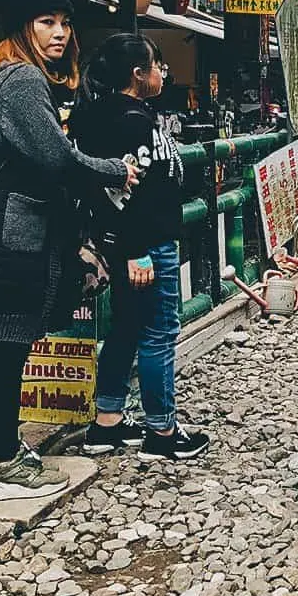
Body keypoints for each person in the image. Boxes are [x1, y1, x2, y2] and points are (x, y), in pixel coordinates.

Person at [0, 0, 137, 501]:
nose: (60, 33)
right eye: (46, 22)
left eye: (64, 22)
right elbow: (54, 157)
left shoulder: (10, 75)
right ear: (23, 27)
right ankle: (0, 460)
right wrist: (113, 168)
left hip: (2, 225)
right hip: (3, 231)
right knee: (6, 343)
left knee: (2, 343)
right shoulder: (22, 79)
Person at [69, 34, 209, 462]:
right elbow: (129, 195)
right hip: (146, 244)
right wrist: (138, 251)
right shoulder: (130, 122)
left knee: (128, 328)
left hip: (132, 243)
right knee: (158, 333)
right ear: (137, 74)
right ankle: (161, 431)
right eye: (156, 66)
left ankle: (107, 423)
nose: (161, 73)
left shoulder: (111, 115)